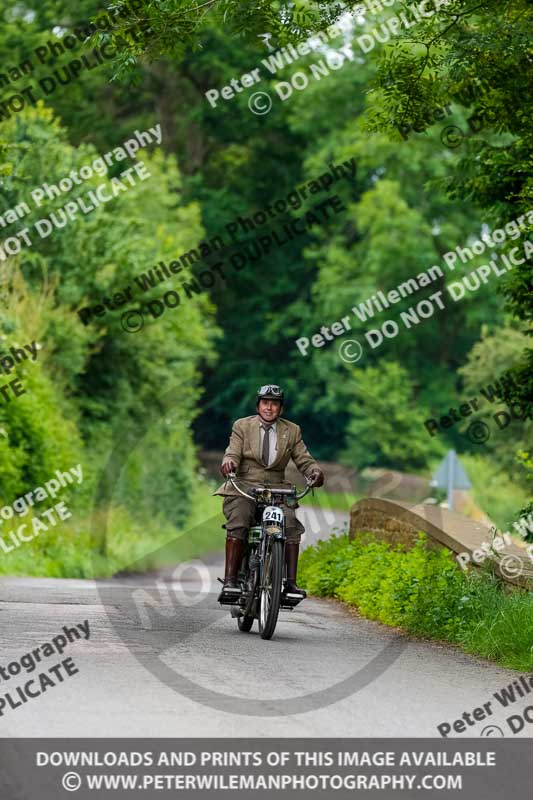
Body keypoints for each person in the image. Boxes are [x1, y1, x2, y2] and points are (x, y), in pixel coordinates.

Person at [215, 384, 324, 601]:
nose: (269, 408)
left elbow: (304, 459)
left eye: (274, 404)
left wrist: (315, 472)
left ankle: (290, 584)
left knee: (291, 524)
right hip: (244, 485)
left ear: (280, 409)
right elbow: (232, 452)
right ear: (258, 406)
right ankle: (230, 581)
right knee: (239, 520)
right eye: (265, 403)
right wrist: (228, 463)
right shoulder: (242, 426)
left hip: (278, 488)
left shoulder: (292, 430)